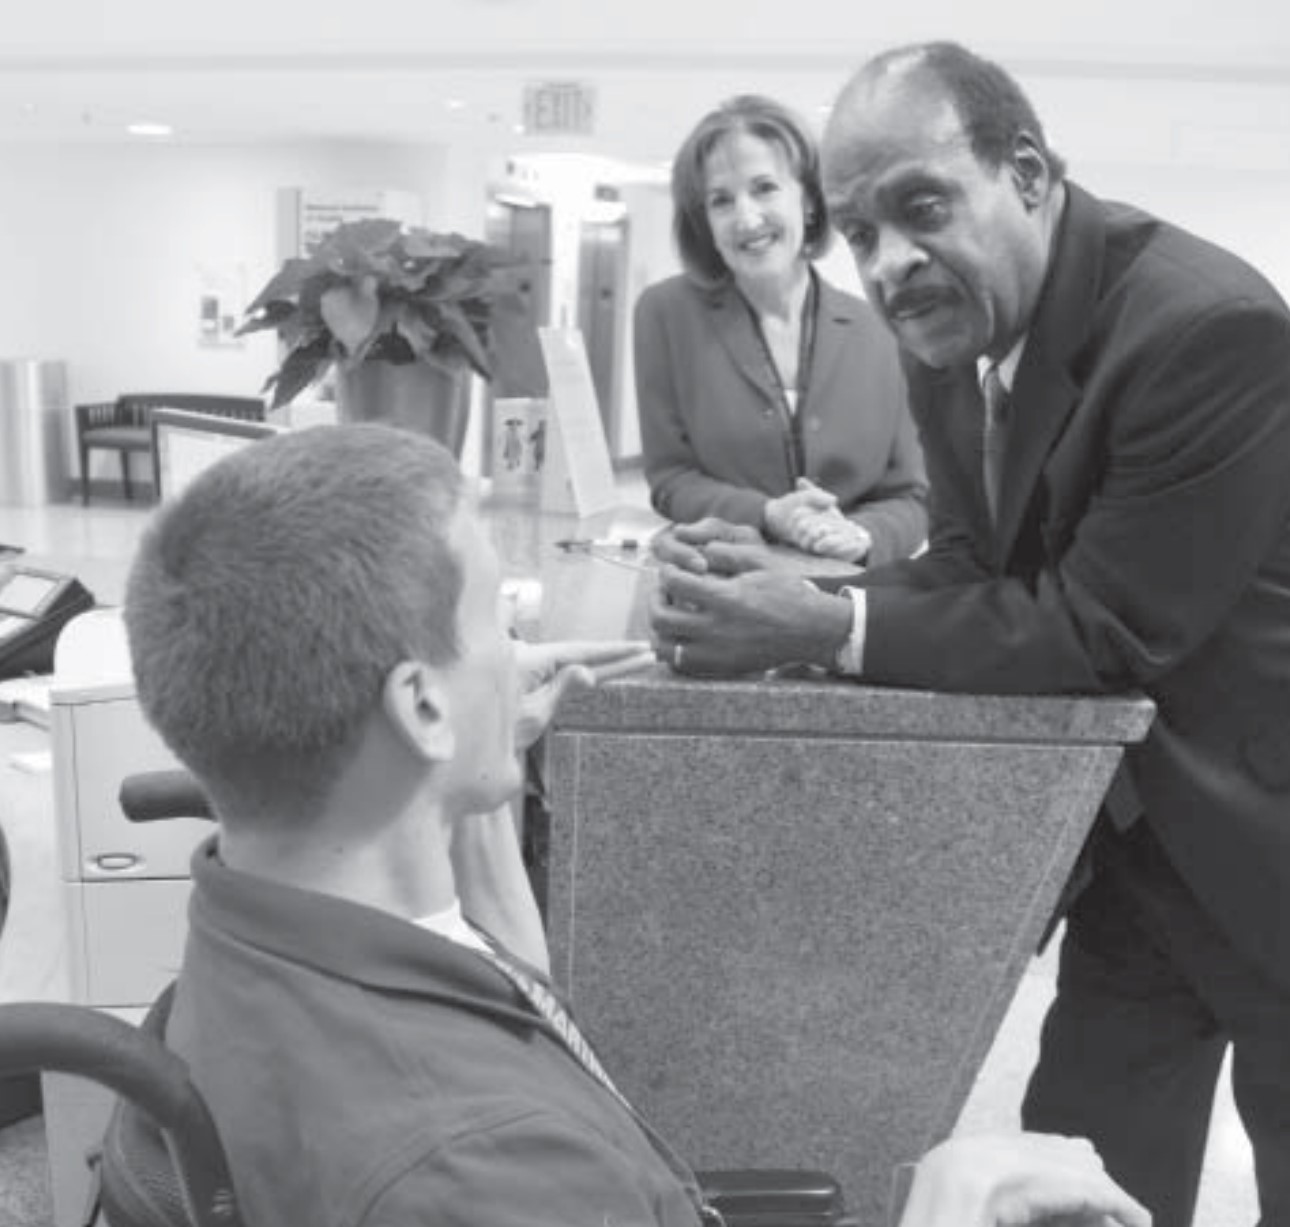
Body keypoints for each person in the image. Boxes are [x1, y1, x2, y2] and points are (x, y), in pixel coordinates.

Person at [122, 423, 1146, 1227]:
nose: (515, 647)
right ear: (420, 705)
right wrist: (947, 1204)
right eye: (497, 620)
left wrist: (476, 771)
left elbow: (504, 993)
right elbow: (490, 1133)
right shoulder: (482, 1167)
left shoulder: (262, 918)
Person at [649, 40, 1290, 1227]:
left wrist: (826, 626)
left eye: (923, 209)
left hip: (1266, 838)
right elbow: (971, 562)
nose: (890, 261)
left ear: (1028, 175)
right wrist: (793, 593)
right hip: (1139, 851)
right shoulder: (956, 334)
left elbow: (1101, 626)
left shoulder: (1206, 327)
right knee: (1072, 1181)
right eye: (860, 232)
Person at [635, 94, 928, 565]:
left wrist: (862, 535)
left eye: (765, 188)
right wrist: (769, 514)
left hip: (845, 592)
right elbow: (671, 479)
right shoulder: (665, 314)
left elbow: (912, 495)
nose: (746, 217)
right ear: (704, 220)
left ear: (809, 200)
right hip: (722, 584)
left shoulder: (880, 330)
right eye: (721, 200)